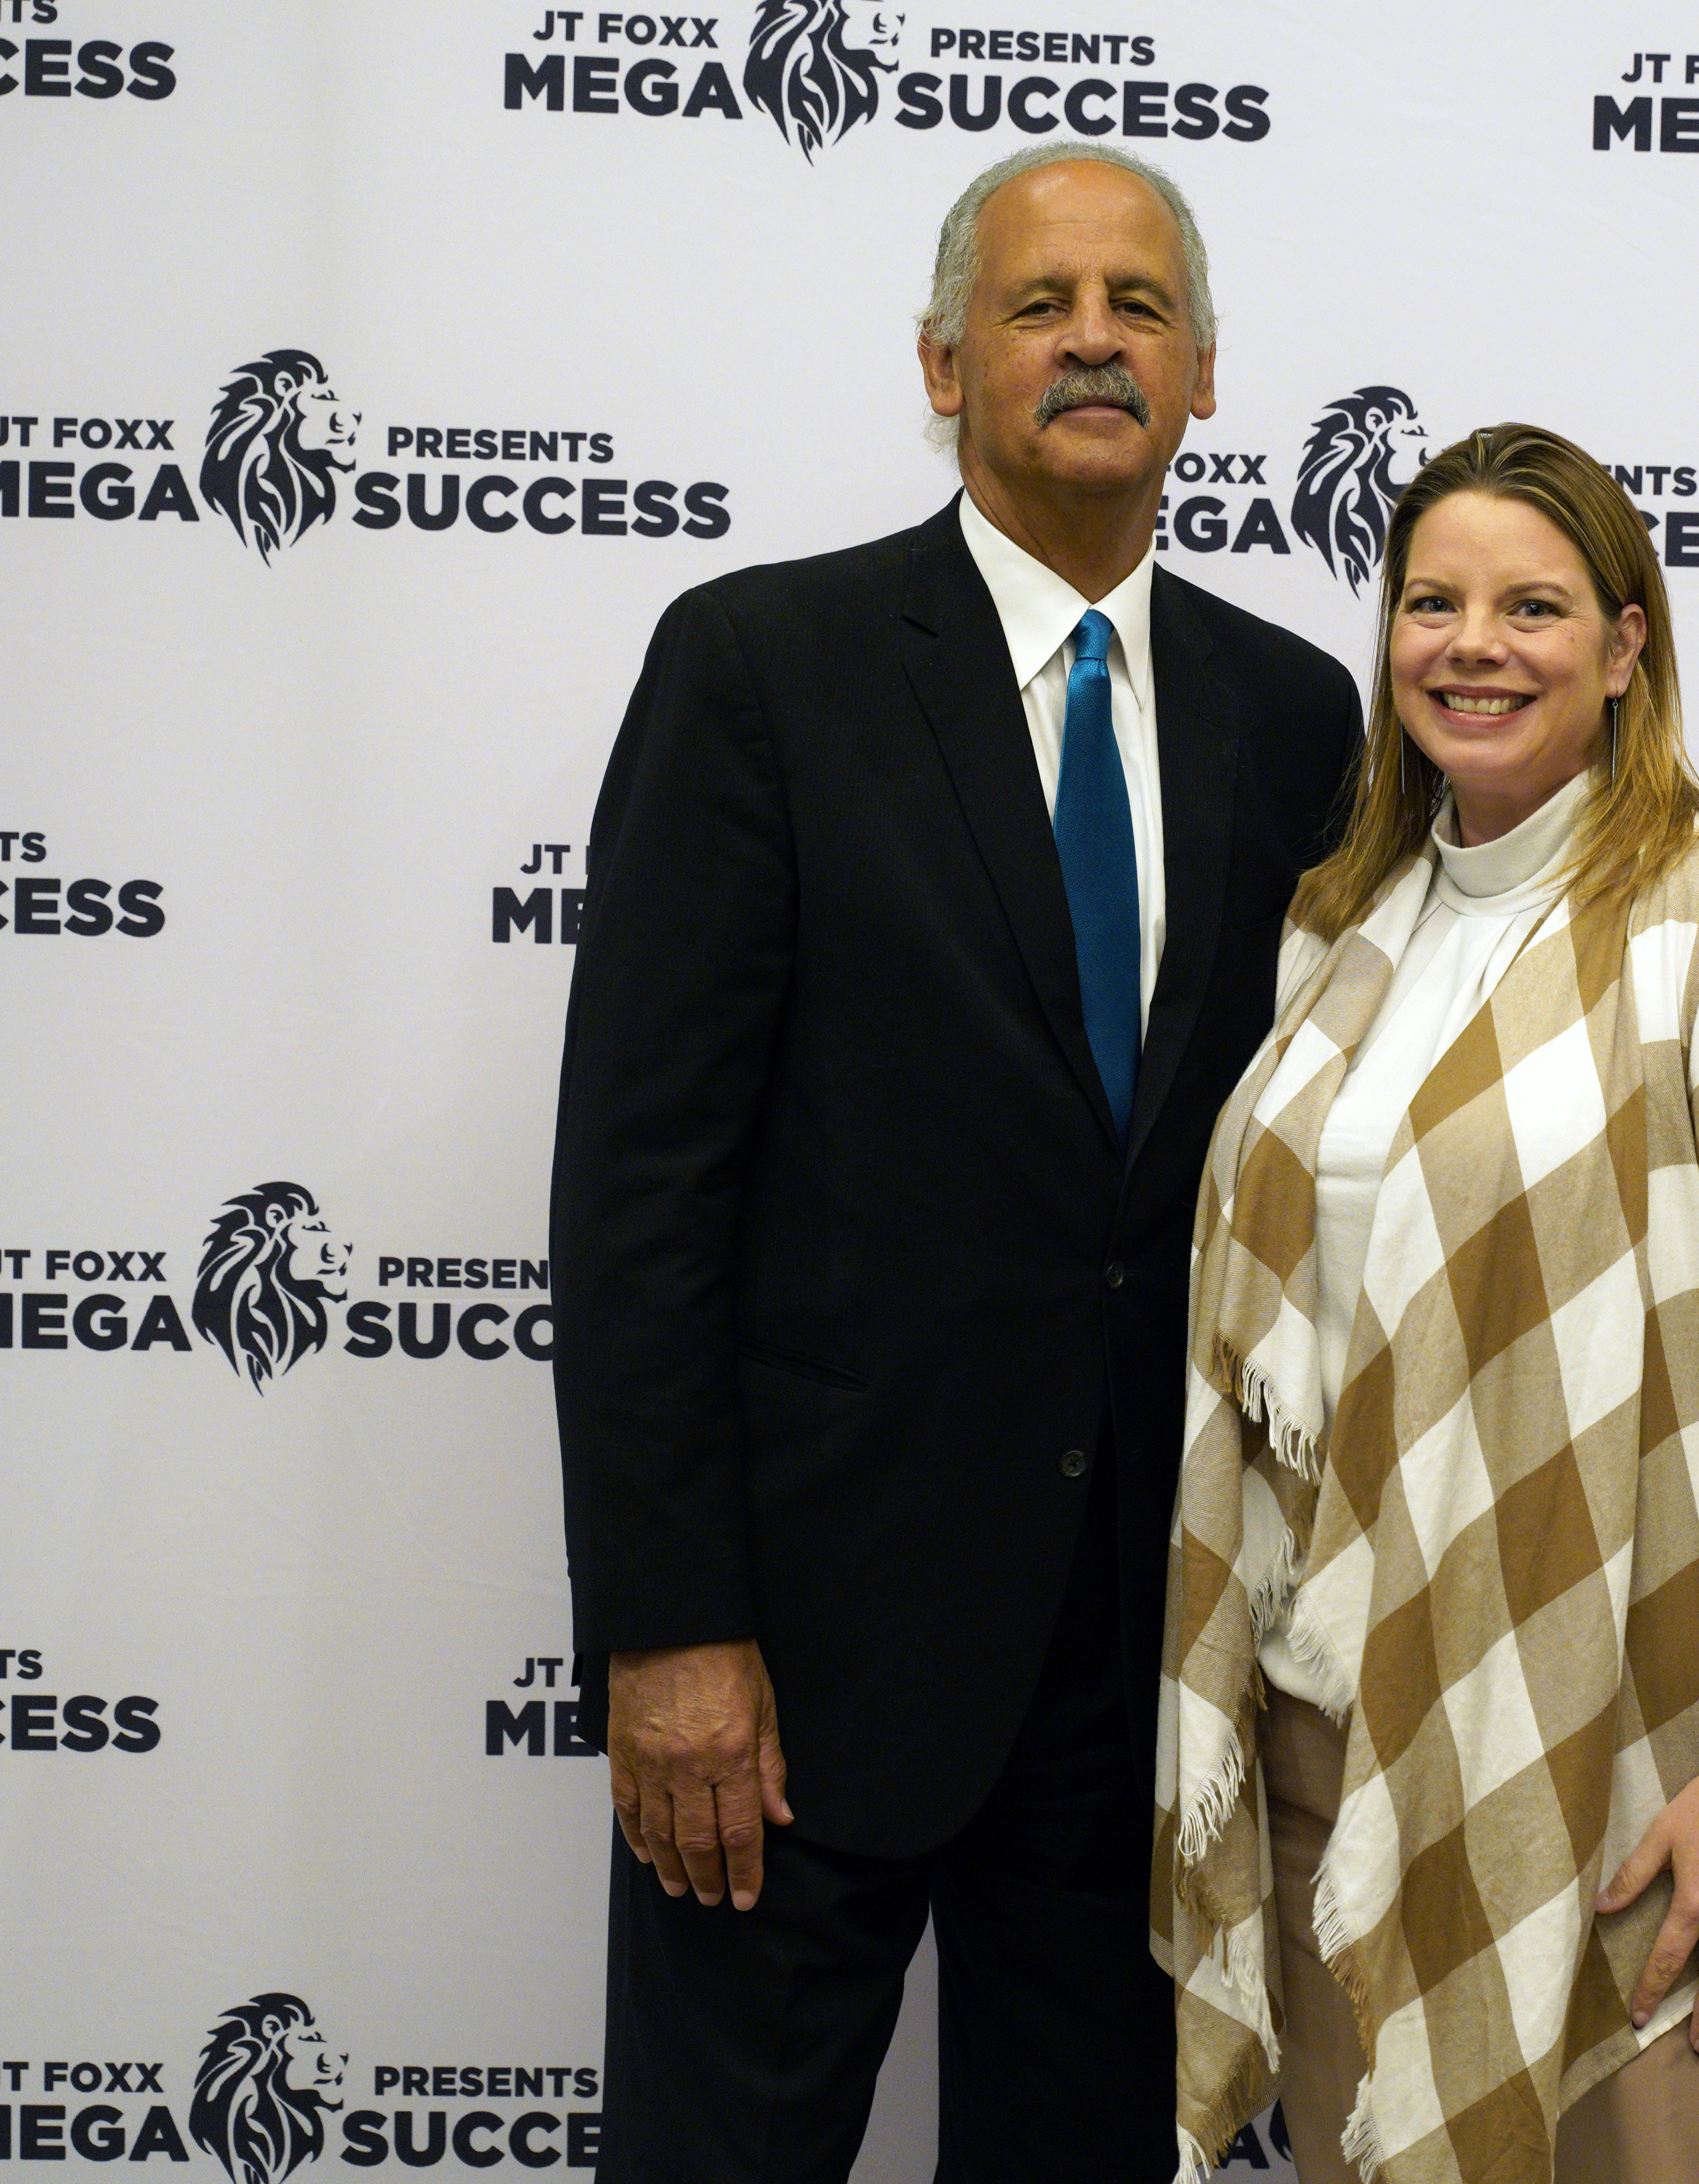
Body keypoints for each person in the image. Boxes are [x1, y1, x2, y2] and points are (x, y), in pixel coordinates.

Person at [549, 141, 1358, 2181]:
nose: (1094, 340)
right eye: (1038, 304)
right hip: (793, 1681)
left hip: (1142, 1685)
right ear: (942, 364)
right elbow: (640, 1191)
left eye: (1139, 306)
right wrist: (670, 1629)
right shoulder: (763, 669)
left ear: (1202, 379)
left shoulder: (1294, 715)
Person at [1156, 425, 1699, 2184]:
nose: (1473, 646)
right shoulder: (1345, 929)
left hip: (1647, 1769)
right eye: (1432, 603)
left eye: (1532, 607)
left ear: (1626, 643)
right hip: (1346, 1773)